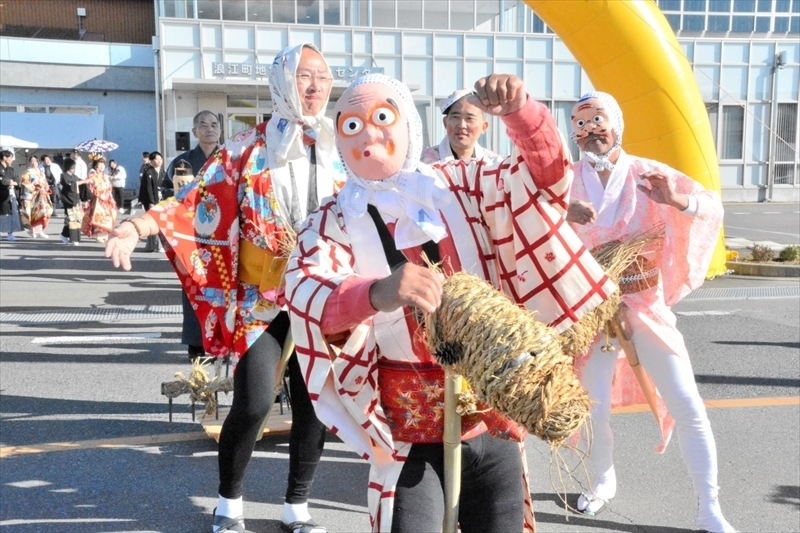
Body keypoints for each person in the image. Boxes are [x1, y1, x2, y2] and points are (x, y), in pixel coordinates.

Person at [284, 73, 616, 533]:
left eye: (382, 118)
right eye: (352, 125)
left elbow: (544, 183)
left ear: (410, 128)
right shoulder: (334, 219)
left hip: (491, 413)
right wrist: (376, 292)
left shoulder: (464, 183)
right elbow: (306, 289)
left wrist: (523, 113)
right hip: (408, 434)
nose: (371, 136)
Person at [105, 43, 347, 533]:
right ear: (282, 82)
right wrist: (139, 225)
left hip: (322, 297)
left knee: (316, 405)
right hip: (263, 300)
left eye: (323, 76)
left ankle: (297, 508)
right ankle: (228, 503)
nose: (317, 86)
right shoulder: (247, 148)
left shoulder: (342, 146)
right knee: (254, 402)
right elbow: (193, 199)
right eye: (305, 76)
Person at [564, 91, 736, 533]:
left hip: (646, 304)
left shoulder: (647, 173)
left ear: (616, 123)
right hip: (593, 312)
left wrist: (677, 201)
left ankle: (709, 506)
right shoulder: (565, 180)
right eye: (580, 124)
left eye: (597, 120)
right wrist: (560, 213)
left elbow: (711, 207)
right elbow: (535, 226)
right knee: (592, 406)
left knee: (688, 404)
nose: (589, 132)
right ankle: (603, 480)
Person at [166, 110, 222, 362]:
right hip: (193, 239)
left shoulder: (231, 158)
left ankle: (225, 339)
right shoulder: (183, 163)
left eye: (214, 124)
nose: (210, 129)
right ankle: (197, 344)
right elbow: (171, 200)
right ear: (194, 132)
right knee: (194, 291)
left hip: (225, 237)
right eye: (203, 125)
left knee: (226, 292)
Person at [420, 88, 498, 164]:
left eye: (469, 118)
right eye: (455, 117)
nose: (462, 125)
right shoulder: (423, 162)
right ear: (445, 122)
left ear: (484, 127)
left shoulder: (493, 163)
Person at [80, 156, 117, 243]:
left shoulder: (104, 175)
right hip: (98, 199)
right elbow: (93, 185)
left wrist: (109, 194)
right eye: (100, 165)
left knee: (108, 216)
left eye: (103, 165)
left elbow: (108, 187)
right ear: (96, 166)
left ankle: (104, 234)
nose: (102, 167)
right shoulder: (93, 174)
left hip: (106, 198)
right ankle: (99, 235)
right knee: (99, 216)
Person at [19, 155, 54, 238]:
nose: (33, 162)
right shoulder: (27, 172)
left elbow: (45, 182)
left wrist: (46, 186)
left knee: (43, 212)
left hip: (40, 195)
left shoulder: (41, 172)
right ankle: (34, 230)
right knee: (30, 213)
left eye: (35, 161)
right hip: (31, 195)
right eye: (31, 161)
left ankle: (38, 230)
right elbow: (25, 182)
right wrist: (35, 187)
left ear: (38, 162)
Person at [137, 151, 165, 252]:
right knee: (154, 222)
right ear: (151, 160)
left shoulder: (162, 172)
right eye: (157, 159)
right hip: (151, 199)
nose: (159, 161)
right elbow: (148, 188)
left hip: (161, 199)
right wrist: (151, 202)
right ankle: (154, 245)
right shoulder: (148, 172)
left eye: (160, 159)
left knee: (160, 222)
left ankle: (156, 245)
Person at [59, 157, 87, 246]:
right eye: (72, 167)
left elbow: (80, 181)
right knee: (72, 219)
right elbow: (70, 185)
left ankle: (64, 234)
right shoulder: (63, 175)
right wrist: (81, 182)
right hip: (69, 200)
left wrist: (87, 181)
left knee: (76, 219)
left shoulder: (74, 176)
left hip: (76, 199)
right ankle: (74, 239)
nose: (73, 169)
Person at [0, 149, 22, 241]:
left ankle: (10, 233)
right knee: (1, 214)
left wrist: (12, 182)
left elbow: (17, 180)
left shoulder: (11, 169)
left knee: (11, 213)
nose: (12, 160)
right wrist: (10, 182)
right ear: (4, 157)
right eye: (11, 157)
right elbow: (2, 181)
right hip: (1, 194)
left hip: (10, 194)